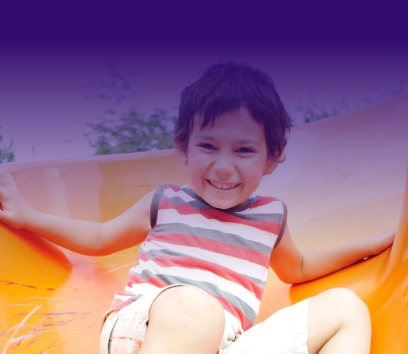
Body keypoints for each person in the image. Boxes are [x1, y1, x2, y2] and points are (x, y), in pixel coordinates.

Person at [0, 62, 396, 354]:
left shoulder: (272, 218)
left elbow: (301, 268)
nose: (223, 166)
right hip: (151, 331)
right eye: (208, 146)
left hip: (231, 345)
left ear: (271, 158)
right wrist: (28, 217)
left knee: (346, 308)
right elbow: (102, 237)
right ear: (184, 148)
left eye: (244, 150)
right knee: (195, 308)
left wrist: (375, 245)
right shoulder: (168, 202)